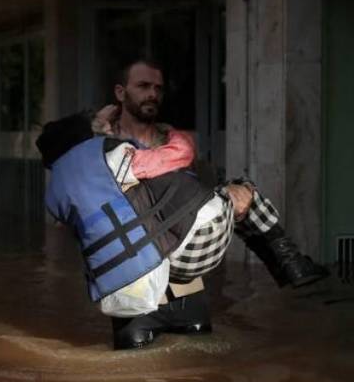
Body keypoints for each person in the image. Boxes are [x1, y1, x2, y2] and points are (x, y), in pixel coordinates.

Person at [37, 79, 328, 350]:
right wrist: (172, 132)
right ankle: (293, 267)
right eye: (101, 128)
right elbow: (179, 154)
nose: (108, 130)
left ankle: (290, 266)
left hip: (125, 290)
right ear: (85, 138)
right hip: (192, 249)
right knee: (242, 191)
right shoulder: (114, 155)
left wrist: (96, 124)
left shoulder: (61, 191)